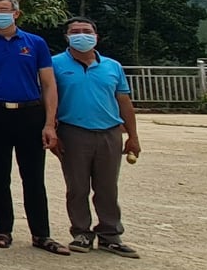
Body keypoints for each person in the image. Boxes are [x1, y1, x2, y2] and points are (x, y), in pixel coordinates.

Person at [0, 0, 66, 255]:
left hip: (30, 113)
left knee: (33, 177)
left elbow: (48, 84)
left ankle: (41, 234)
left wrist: (49, 123)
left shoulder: (35, 43)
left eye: (4, 9)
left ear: (16, 13)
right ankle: (3, 230)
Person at [52, 19, 142, 257]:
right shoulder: (54, 64)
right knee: (77, 187)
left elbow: (124, 100)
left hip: (110, 132)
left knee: (107, 187)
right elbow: (49, 99)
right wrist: (51, 130)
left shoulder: (112, 66)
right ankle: (81, 232)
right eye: (75, 32)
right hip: (73, 132)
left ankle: (110, 235)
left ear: (96, 36)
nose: (81, 35)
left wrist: (133, 136)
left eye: (87, 31)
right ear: (67, 37)